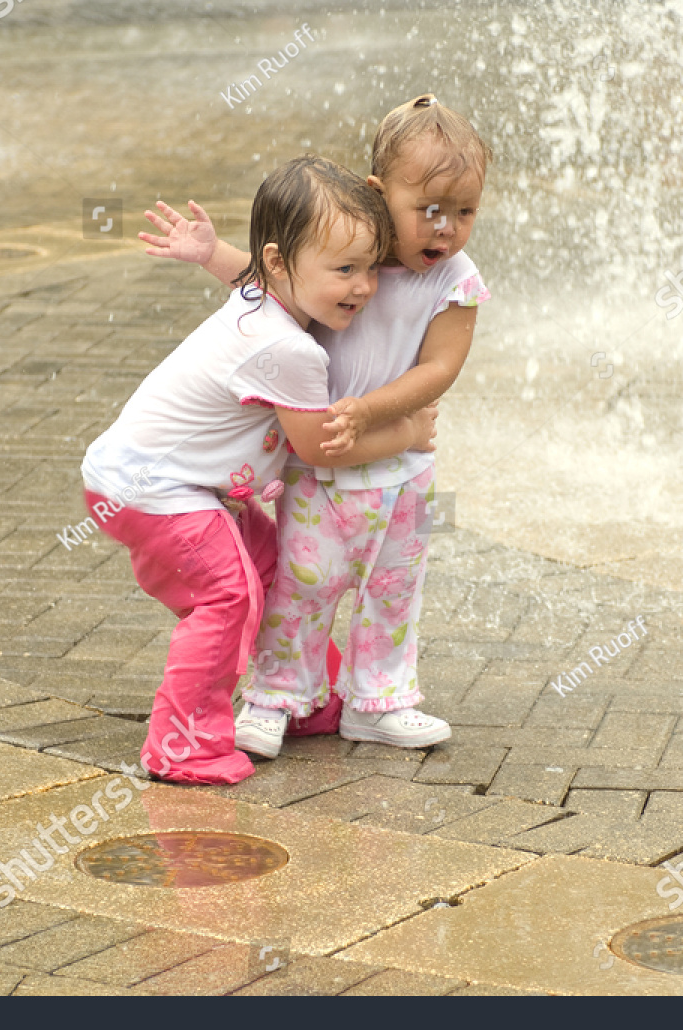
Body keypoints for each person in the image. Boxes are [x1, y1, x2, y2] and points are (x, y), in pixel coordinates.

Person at [141, 94, 491, 760]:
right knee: (304, 584)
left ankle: (382, 701)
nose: (445, 229)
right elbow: (271, 288)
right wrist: (212, 251)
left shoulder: (457, 279)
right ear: (377, 193)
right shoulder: (344, 252)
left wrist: (370, 409)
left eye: (465, 211)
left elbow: (442, 367)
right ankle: (274, 698)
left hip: (402, 468)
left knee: (394, 589)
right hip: (318, 465)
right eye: (428, 210)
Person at [83, 154, 437, 785]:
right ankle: (180, 744)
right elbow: (318, 447)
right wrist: (404, 431)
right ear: (281, 264)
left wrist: (210, 250)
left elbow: (247, 271)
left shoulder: (265, 300)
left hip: (151, 479)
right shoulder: (290, 348)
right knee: (230, 595)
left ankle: (291, 699)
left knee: (276, 569)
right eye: (345, 270)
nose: (363, 287)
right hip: (156, 490)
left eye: (368, 268)